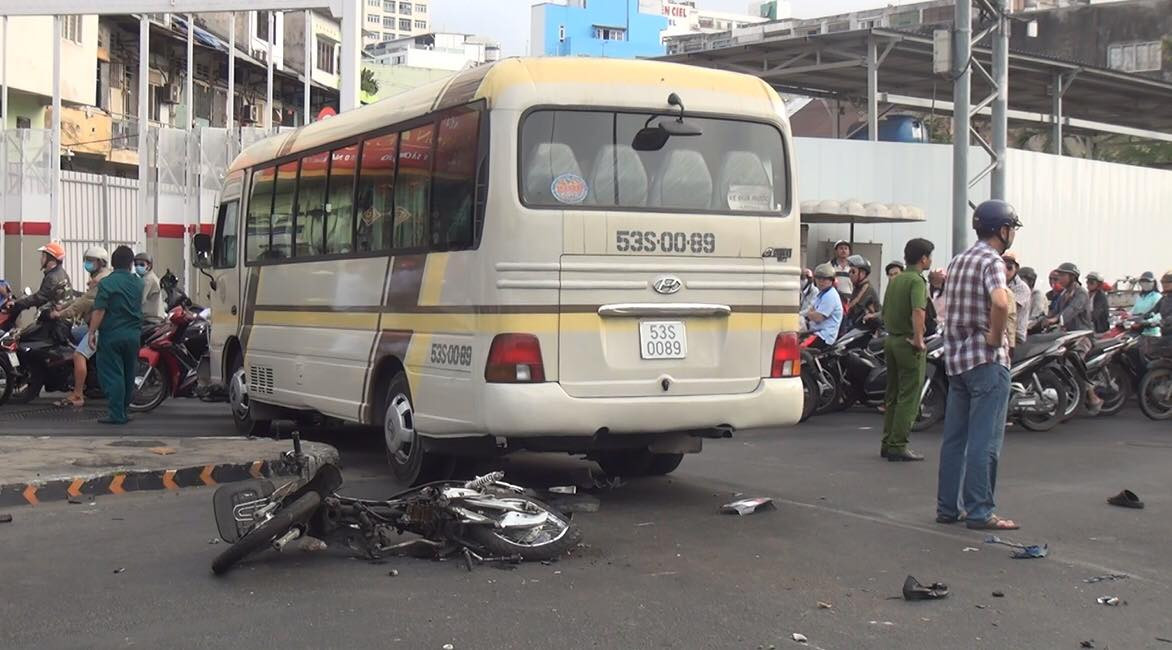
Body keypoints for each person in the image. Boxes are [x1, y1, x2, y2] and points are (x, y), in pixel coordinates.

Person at [937, 199, 1021, 531]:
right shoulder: (992, 261)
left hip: (957, 361)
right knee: (985, 441)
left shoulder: (958, 260)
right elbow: (1000, 302)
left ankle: (948, 507)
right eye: (1011, 228)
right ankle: (980, 511)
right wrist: (995, 338)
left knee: (954, 440)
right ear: (1003, 230)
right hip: (986, 362)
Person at [880, 238, 934, 462]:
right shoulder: (916, 281)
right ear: (923, 258)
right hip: (907, 342)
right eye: (929, 256)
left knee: (892, 394)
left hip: (891, 340)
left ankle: (887, 441)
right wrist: (919, 340)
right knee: (909, 396)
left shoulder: (896, 280)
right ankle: (898, 444)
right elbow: (918, 311)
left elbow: (885, 311)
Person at [48, 246, 111, 408]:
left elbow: (83, 303)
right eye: (86, 260)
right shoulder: (103, 276)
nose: (87, 264)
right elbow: (84, 297)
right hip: (100, 324)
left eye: (90, 261)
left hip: (100, 326)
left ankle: (77, 394)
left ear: (100, 262)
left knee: (78, 355)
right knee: (75, 334)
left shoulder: (100, 280)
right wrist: (63, 306)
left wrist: (60, 314)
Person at [88, 246, 144, 425]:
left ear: (112, 263)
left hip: (112, 334)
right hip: (133, 335)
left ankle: (116, 414)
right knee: (129, 374)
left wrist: (91, 332)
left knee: (113, 375)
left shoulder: (107, 283)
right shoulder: (138, 283)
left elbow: (99, 310)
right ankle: (124, 411)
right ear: (130, 263)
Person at [3, 242, 71, 315]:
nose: (41, 259)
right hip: (60, 315)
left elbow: (39, 298)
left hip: (53, 318)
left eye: (43, 256)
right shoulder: (62, 273)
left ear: (52, 260)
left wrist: (17, 305)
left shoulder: (52, 278)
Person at [805, 263, 843, 350]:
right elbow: (811, 311)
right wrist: (811, 313)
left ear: (831, 280)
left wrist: (810, 313)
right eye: (819, 278)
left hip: (823, 336)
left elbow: (818, 317)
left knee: (798, 350)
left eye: (825, 279)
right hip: (815, 332)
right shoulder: (821, 294)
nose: (821, 282)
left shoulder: (830, 295)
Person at [1045, 262, 1093, 333]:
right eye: (1059, 275)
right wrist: (1043, 318)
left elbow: (1072, 310)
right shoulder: (1064, 293)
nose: (1059, 278)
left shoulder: (1081, 293)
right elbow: (1055, 311)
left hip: (1081, 334)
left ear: (1072, 277)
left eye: (1062, 275)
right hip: (1067, 333)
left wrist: (1055, 319)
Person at [842, 254, 881, 332]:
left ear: (862, 273)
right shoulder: (857, 287)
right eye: (849, 271)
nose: (850, 274)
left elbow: (853, 307)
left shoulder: (866, 288)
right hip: (861, 327)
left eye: (853, 272)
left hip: (872, 329)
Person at [1002, 252, 1031, 348]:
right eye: (1002, 267)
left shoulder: (1022, 288)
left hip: (1015, 337)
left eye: (1009, 268)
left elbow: (1006, 310)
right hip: (1001, 333)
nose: (1005, 271)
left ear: (1016, 269)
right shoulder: (998, 284)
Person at [134, 252, 166, 322]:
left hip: (151, 319)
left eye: (142, 264)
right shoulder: (149, 277)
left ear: (149, 266)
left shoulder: (148, 279)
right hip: (152, 318)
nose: (138, 267)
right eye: (136, 264)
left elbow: (140, 299)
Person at [1131, 271, 1162, 336]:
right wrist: (1126, 315)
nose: (1145, 283)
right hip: (1139, 331)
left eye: (1148, 281)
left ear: (1153, 283)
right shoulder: (1140, 296)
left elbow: (1159, 315)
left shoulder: (1157, 296)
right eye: (1142, 281)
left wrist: (1146, 322)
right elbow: (1134, 310)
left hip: (1152, 332)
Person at [1019, 266, 1048, 334]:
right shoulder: (1021, 294)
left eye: (1021, 280)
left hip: (1035, 332)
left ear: (1031, 281)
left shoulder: (1037, 295)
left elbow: (1035, 318)